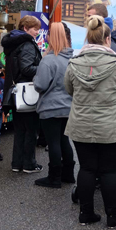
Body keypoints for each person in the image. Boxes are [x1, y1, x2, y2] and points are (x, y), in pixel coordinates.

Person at [64, 16, 116, 228]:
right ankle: (112, 217)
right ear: (107, 39)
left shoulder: (74, 63)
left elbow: (69, 89)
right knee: (109, 170)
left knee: (86, 169)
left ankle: (86, 213)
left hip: (81, 125)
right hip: (113, 127)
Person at [33, 23, 75, 188]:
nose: (47, 35)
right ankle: (68, 175)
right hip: (68, 106)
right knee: (65, 140)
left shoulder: (48, 60)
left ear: (53, 37)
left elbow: (40, 85)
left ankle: (54, 177)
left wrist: (35, 80)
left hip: (50, 107)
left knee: (53, 143)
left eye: (49, 33)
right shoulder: (72, 58)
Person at [2, 15, 43, 173]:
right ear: (25, 28)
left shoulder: (13, 43)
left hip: (16, 93)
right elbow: (26, 68)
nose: (37, 32)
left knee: (19, 130)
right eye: (35, 29)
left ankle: (16, 163)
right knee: (31, 130)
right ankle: (29, 164)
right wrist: (43, 68)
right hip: (28, 92)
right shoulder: (26, 44)